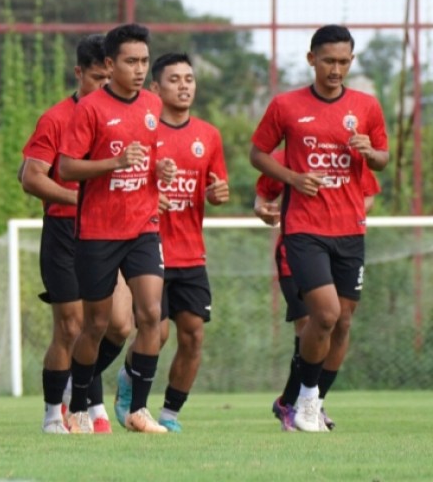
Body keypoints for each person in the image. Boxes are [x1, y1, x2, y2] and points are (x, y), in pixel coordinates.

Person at [250, 24, 388, 433]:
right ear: (311, 59)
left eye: (344, 61)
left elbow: (381, 159)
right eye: (328, 60)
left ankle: (311, 401)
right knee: (323, 315)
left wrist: (370, 152)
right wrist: (291, 178)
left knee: (343, 321)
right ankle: (305, 401)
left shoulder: (366, 106)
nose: (336, 69)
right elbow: (258, 153)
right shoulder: (286, 105)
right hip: (304, 228)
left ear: (351, 61)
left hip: (350, 230)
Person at [57, 23, 176, 435]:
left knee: (151, 315)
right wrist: (114, 163)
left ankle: (138, 410)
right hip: (98, 232)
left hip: (143, 225)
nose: (140, 69)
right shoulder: (89, 109)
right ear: (110, 64)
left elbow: (151, 155)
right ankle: (75, 404)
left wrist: (159, 169)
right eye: (131, 61)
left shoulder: (151, 105)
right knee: (96, 325)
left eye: (144, 61)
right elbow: (66, 167)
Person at [19, 34, 133, 434]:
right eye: (97, 79)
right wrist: (75, 196)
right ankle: (55, 413)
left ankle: (76, 385)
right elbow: (30, 177)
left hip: (110, 231)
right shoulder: (56, 118)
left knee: (118, 325)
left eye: (109, 78)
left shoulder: (125, 115)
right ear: (78, 73)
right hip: (66, 231)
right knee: (69, 327)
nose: (104, 87)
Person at [110, 53, 228, 432]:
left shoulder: (208, 135)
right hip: (148, 247)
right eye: (174, 79)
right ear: (155, 88)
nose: (184, 85)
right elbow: (123, 183)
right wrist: (147, 196)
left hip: (191, 252)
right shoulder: (144, 131)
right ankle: (129, 385)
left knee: (193, 334)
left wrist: (218, 193)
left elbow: (215, 187)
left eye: (189, 79)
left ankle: (170, 415)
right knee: (156, 332)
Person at [256, 149, 378, 431]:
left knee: (340, 323)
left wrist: (344, 214)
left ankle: (312, 403)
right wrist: (262, 208)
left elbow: (368, 193)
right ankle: (291, 403)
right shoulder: (287, 154)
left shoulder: (348, 151)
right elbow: (263, 194)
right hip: (296, 251)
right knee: (309, 326)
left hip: (343, 245)